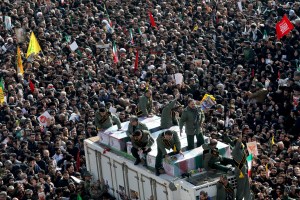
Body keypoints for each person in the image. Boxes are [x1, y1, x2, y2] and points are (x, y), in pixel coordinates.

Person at [230, 134, 252, 200]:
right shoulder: (235, 150)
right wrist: (240, 136)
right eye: (240, 143)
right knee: (241, 188)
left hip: (244, 171)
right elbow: (239, 142)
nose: (242, 143)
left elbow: (246, 158)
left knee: (247, 188)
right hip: (240, 172)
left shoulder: (240, 150)